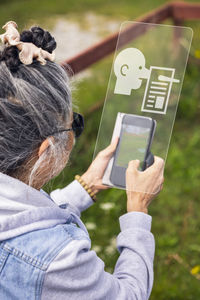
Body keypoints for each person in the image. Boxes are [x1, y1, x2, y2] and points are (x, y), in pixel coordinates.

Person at [0, 21, 164, 300]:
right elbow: (129, 295)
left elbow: (23, 218)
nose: (75, 132)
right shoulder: (57, 260)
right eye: (74, 124)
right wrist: (138, 209)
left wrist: (87, 185)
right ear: (47, 150)